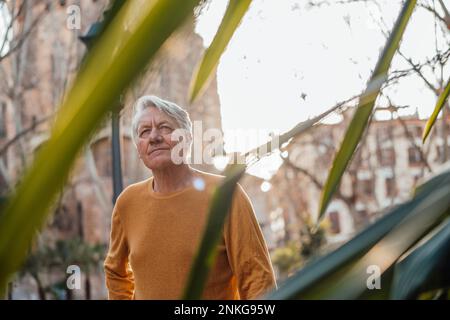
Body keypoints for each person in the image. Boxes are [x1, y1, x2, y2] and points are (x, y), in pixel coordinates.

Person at [104, 95, 276, 299]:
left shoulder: (227, 195)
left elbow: (257, 278)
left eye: (165, 127)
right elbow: (115, 272)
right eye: (144, 131)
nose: (154, 137)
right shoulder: (127, 203)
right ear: (139, 149)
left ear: (187, 138)